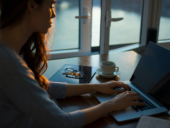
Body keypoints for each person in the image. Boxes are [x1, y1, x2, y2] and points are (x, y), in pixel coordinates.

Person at [0, 0, 145, 127]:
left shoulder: (9, 50)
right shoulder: (9, 62)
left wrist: (97, 87)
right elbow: (63, 122)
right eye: (51, 5)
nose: (53, 14)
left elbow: (42, 87)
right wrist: (111, 104)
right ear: (32, 5)